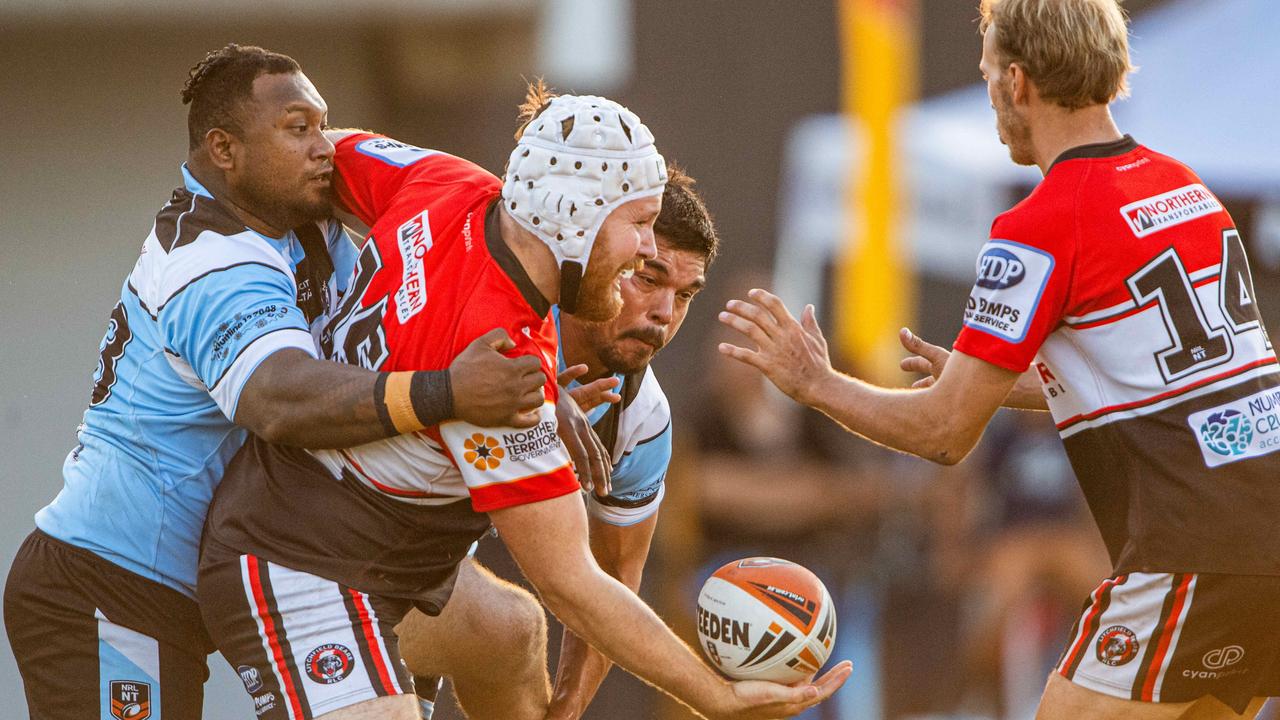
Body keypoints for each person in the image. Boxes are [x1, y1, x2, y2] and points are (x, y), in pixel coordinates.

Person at [197, 84, 850, 720]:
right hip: (298, 561)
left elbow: (320, 152)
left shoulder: (449, 181)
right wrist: (716, 697)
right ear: (575, 216)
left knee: (511, 631)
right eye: (641, 230)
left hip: (398, 569)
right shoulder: (503, 373)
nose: (649, 251)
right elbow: (573, 579)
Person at [719, 1, 1280, 718]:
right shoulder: (1186, 188)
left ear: (1017, 83)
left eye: (987, 77)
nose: (990, 98)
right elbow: (1153, 386)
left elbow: (943, 435)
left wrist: (815, 382)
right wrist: (983, 382)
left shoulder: (1041, 223)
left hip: (1193, 549)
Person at [2, 44, 559, 720]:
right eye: (298, 128)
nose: (324, 145)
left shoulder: (303, 207)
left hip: (268, 557)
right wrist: (452, 391)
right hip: (111, 588)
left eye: (323, 123)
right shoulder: (209, 261)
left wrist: (536, 383)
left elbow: (440, 267)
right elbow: (280, 400)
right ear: (224, 149)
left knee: (505, 630)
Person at [394, 165, 719, 720]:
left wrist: (566, 709)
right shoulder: (484, 297)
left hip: (411, 570)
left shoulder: (640, 419)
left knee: (514, 633)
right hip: (311, 542)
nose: (665, 314)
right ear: (599, 254)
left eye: (684, 295)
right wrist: (540, 390)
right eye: (647, 277)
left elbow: (613, 578)